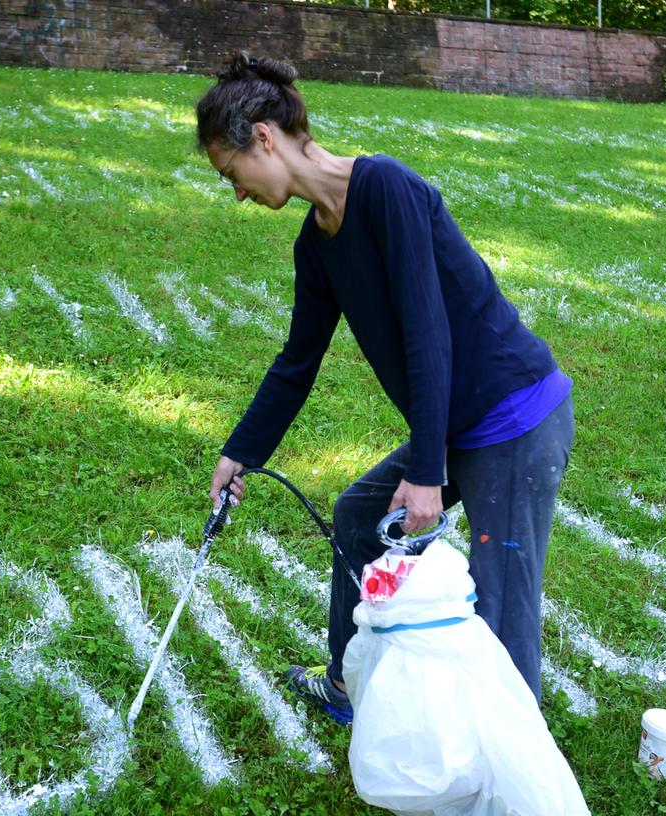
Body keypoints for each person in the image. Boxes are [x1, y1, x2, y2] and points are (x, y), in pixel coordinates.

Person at [197, 54, 575, 725]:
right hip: (458, 426)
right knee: (356, 517)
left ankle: (518, 768)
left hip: (514, 419)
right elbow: (297, 362)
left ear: (263, 137)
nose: (237, 193)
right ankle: (348, 686)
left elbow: (429, 334)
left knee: (503, 610)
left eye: (233, 173)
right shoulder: (315, 246)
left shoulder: (386, 189)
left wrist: (427, 473)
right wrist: (241, 451)